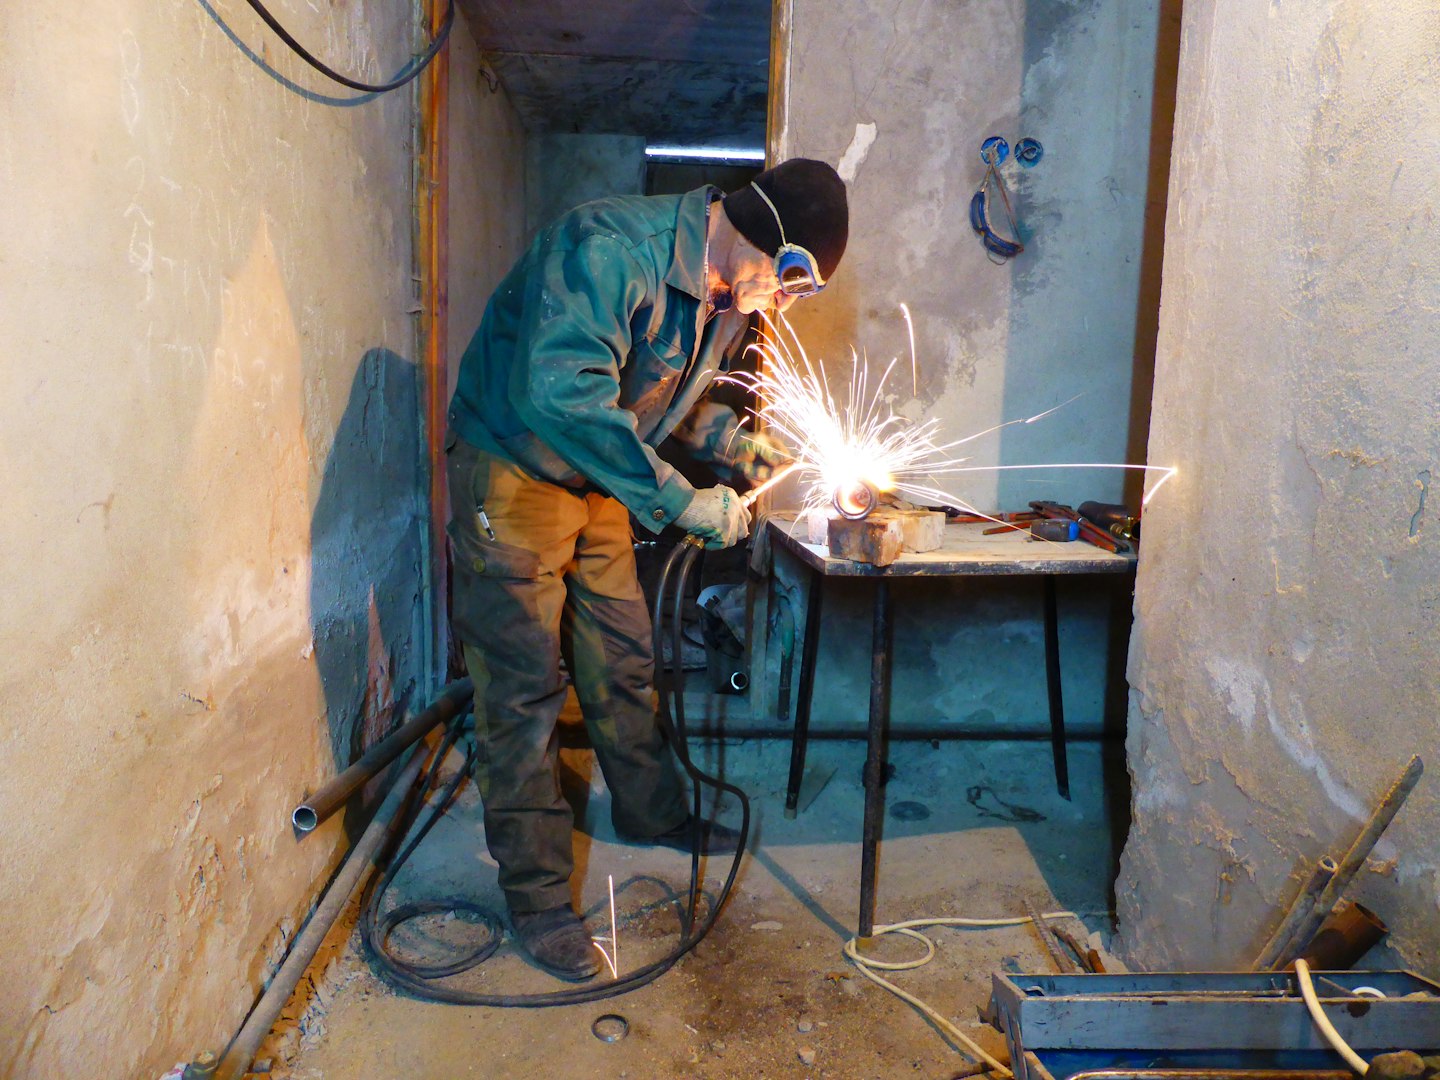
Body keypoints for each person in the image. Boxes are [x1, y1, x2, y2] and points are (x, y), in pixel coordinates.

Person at [444, 158, 849, 980]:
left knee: (623, 653)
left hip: (600, 470)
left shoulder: (726, 291)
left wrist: (733, 446)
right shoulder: (605, 248)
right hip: (515, 464)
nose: (780, 304)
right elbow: (561, 394)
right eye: (788, 284)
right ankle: (539, 898)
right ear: (760, 236)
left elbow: (670, 391)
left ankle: (650, 811)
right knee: (522, 685)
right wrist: (683, 502)